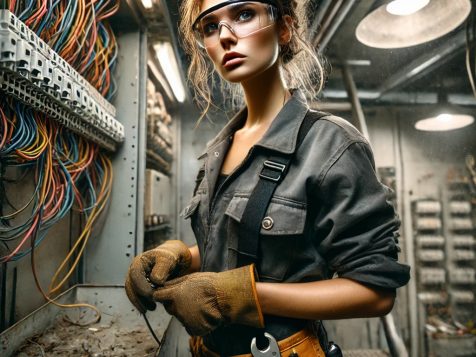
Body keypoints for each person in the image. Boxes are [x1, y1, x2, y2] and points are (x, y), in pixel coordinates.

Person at [125, 0, 411, 356]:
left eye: (243, 14)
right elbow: (242, 244)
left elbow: (376, 292)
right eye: (211, 26)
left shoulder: (331, 144)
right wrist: (180, 255)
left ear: (284, 28)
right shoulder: (219, 148)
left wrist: (238, 297)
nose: (226, 37)